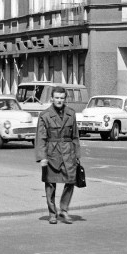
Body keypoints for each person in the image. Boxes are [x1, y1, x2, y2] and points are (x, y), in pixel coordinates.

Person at [35, 86, 81, 224]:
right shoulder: (45, 115)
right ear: (52, 98)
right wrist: (42, 157)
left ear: (65, 99)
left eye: (62, 98)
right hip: (51, 153)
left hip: (68, 152)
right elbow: (41, 137)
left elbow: (75, 136)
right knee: (50, 184)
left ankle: (64, 209)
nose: (59, 100)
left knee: (71, 180)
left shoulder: (71, 113)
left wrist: (77, 155)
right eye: (57, 98)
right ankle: (52, 213)